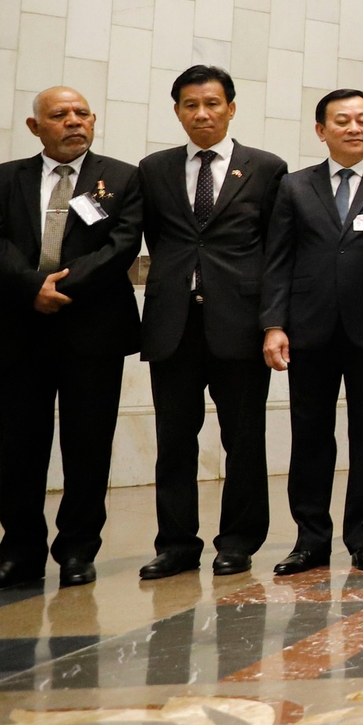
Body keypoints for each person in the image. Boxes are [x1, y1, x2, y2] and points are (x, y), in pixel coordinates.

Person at [261, 90, 363, 575]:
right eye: (342, 121)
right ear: (321, 130)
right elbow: (278, 261)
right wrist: (274, 324)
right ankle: (310, 540)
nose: (354, 128)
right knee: (310, 437)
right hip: (307, 330)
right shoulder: (294, 186)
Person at [136, 65, 288, 580]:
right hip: (172, 322)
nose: (202, 114)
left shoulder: (266, 168)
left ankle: (238, 540)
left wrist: (273, 321)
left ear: (231, 107)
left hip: (241, 323)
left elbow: (276, 252)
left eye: (213, 104)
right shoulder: (153, 168)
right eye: (190, 105)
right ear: (177, 110)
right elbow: (160, 239)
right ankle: (176, 543)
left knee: (243, 439)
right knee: (173, 439)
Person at [0, 88, 144, 590]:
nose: (74, 122)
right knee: (19, 447)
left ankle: (77, 550)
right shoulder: (4, 177)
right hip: (17, 328)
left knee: (88, 446)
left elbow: (122, 244)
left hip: (92, 328)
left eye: (82, 114)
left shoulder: (121, 177)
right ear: (36, 127)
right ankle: (19, 553)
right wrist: (32, 286)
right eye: (60, 116)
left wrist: (62, 286)